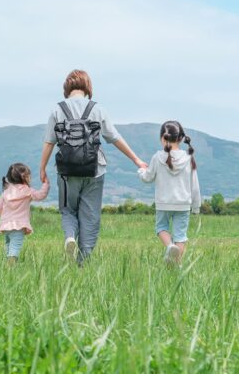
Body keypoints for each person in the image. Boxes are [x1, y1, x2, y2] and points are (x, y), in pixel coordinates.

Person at [39, 69, 147, 264]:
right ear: (87, 87)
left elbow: (49, 142)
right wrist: (136, 159)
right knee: (90, 216)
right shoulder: (97, 109)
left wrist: (42, 168)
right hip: (95, 170)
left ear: (67, 88)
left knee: (68, 210)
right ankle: (83, 262)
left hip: (66, 173)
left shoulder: (57, 110)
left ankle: (70, 237)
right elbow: (114, 137)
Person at [138, 120, 202, 266]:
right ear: (180, 138)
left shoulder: (157, 157)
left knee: (161, 228)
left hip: (163, 203)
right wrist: (196, 206)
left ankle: (169, 247)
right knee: (180, 236)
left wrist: (141, 171)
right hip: (183, 205)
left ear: (163, 138)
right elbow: (195, 185)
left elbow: (148, 178)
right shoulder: (188, 158)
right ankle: (177, 265)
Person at [0, 162, 50, 265]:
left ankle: (7, 265)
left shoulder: (6, 192)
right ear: (25, 178)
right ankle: (11, 266)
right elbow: (40, 195)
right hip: (19, 226)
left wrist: (4, 216)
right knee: (15, 247)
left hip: (5, 225)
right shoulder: (27, 191)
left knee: (8, 245)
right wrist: (45, 184)